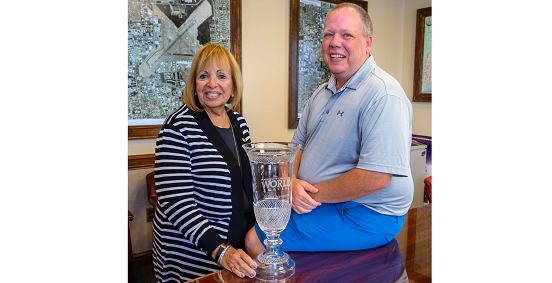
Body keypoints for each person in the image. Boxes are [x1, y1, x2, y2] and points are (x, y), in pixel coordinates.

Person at [246, 3, 414, 256]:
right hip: (328, 201)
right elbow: (297, 146)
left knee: (255, 241)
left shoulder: (384, 94)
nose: (335, 42)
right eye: (328, 34)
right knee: (259, 218)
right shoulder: (321, 93)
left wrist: (309, 195)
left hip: (367, 212)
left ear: (367, 43)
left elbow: (376, 177)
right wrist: (291, 182)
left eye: (347, 34)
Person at [152, 43, 257, 282]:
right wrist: (220, 251)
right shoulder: (177, 127)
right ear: (194, 84)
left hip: (238, 246)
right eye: (203, 76)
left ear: (232, 85)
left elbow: (246, 182)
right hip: (193, 251)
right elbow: (175, 201)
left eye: (221, 76)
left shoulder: (239, 123)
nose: (212, 84)